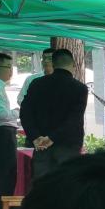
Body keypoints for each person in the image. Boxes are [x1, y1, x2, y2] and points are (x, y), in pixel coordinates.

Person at [19, 48, 88, 178]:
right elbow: (74, 120)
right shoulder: (79, 88)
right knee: (65, 184)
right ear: (73, 65)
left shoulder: (37, 84)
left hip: (41, 145)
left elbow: (25, 112)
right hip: (68, 146)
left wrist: (35, 136)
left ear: (53, 64)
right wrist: (52, 138)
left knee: (42, 184)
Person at [0, 53, 18, 196]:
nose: (11, 71)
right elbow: (2, 114)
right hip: (3, 133)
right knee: (6, 172)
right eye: (8, 67)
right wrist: (17, 112)